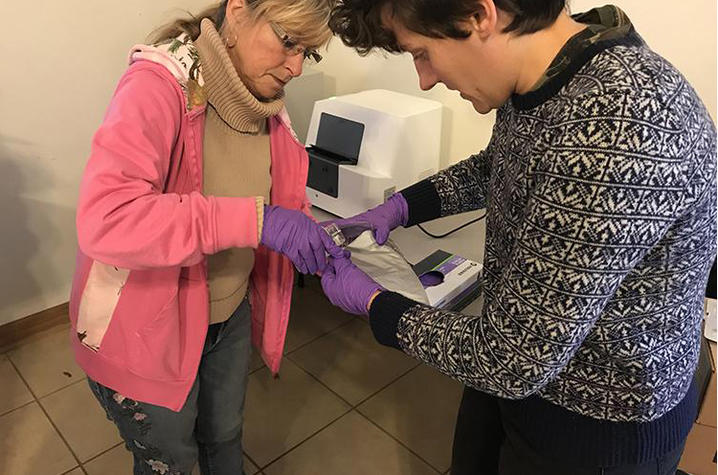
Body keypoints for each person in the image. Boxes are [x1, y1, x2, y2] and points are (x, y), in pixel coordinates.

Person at [321, 1, 717, 474]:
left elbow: (511, 359)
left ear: (479, 15)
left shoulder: (618, 124)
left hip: (596, 421)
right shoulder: (557, 72)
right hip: (525, 372)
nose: (424, 79)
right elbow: (502, 166)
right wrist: (404, 206)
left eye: (421, 52)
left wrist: (375, 304)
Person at [70, 0, 341, 473]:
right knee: (171, 460)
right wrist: (259, 222)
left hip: (227, 313)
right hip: (148, 327)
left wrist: (325, 238)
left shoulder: (264, 106)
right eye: (289, 41)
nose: (296, 67)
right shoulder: (158, 87)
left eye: (309, 54)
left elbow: (274, 195)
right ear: (237, 11)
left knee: (225, 435)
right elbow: (108, 217)